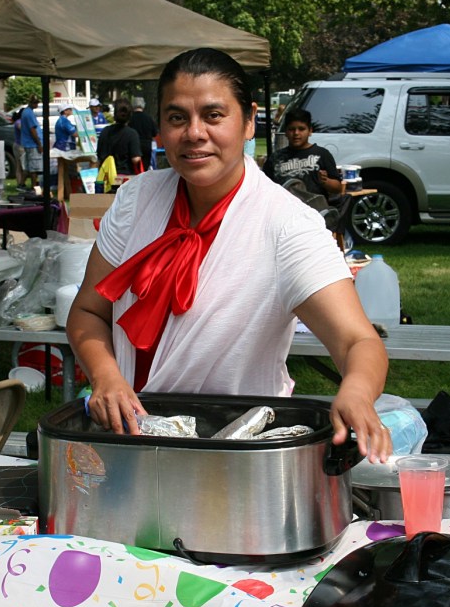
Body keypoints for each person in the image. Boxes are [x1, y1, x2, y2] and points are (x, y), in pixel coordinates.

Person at [66, 48, 391, 462]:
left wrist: (357, 393)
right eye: (177, 117)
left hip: (237, 457)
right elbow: (88, 311)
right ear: (161, 127)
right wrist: (106, 376)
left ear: (249, 120)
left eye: (213, 115)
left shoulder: (287, 225)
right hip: (130, 442)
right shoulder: (136, 200)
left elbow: (358, 340)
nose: (194, 133)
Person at [263, 108, 342, 199]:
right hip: (285, 210)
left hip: (315, 209)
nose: (296, 133)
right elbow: (265, 187)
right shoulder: (276, 158)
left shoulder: (322, 154)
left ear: (310, 131)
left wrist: (325, 181)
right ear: (286, 132)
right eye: (292, 129)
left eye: (301, 129)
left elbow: (338, 188)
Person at [96, 98, 142, 176]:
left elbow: (99, 154)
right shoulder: (132, 134)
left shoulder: (105, 131)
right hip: (125, 177)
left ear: (114, 114)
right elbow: (135, 159)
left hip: (106, 176)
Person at [18, 95, 44, 189]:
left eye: (37, 102)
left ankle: (21, 184)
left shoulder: (28, 112)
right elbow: (32, 130)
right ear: (30, 103)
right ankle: (34, 188)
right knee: (34, 168)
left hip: (31, 143)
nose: (36, 104)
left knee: (29, 166)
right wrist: (39, 144)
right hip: (32, 144)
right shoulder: (28, 113)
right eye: (35, 102)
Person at [129, 96, 158, 169]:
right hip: (146, 146)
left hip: (133, 147)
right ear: (143, 106)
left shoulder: (130, 119)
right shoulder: (149, 118)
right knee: (144, 168)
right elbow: (154, 133)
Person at [11, 107, 25, 189]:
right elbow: (22, 128)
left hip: (19, 145)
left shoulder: (19, 122)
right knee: (20, 166)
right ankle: (20, 183)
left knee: (19, 166)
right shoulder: (19, 122)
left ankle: (20, 183)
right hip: (20, 146)